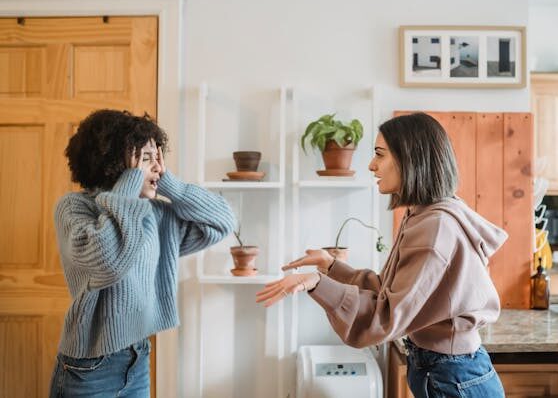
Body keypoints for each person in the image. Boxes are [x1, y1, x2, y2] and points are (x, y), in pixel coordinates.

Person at [257, 112, 507, 397]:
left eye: (380, 154)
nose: (371, 165)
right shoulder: (425, 215)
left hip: (452, 376)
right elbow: (390, 291)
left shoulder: (435, 227)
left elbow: (386, 315)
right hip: (449, 371)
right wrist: (331, 266)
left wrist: (316, 282)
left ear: (411, 159)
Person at [49, 109, 235, 397]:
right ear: (113, 162)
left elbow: (223, 221)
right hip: (88, 369)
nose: (156, 168)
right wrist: (131, 184)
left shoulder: (157, 214)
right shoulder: (75, 208)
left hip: (137, 359)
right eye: (145, 159)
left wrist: (169, 183)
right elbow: (107, 261)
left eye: (157, 158)